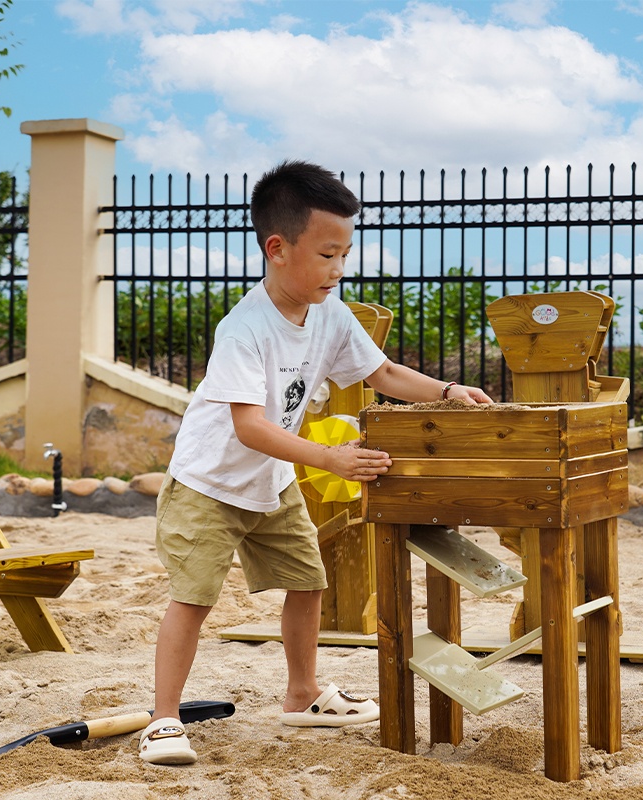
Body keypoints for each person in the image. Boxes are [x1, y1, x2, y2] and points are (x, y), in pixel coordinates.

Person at [138, 160, 493, 765]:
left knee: (308, 584)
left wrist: (446, 391)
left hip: (271, 482)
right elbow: (248, 426)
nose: (339, 269)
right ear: (278, 248)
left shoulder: (331, 313)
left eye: (344, 254)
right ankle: (164, 719)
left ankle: (302, 695)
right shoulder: (244, 329)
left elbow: (380, 372)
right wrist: (330, 458)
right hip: (209, 483)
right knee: (195, 597)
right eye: (327, 255)